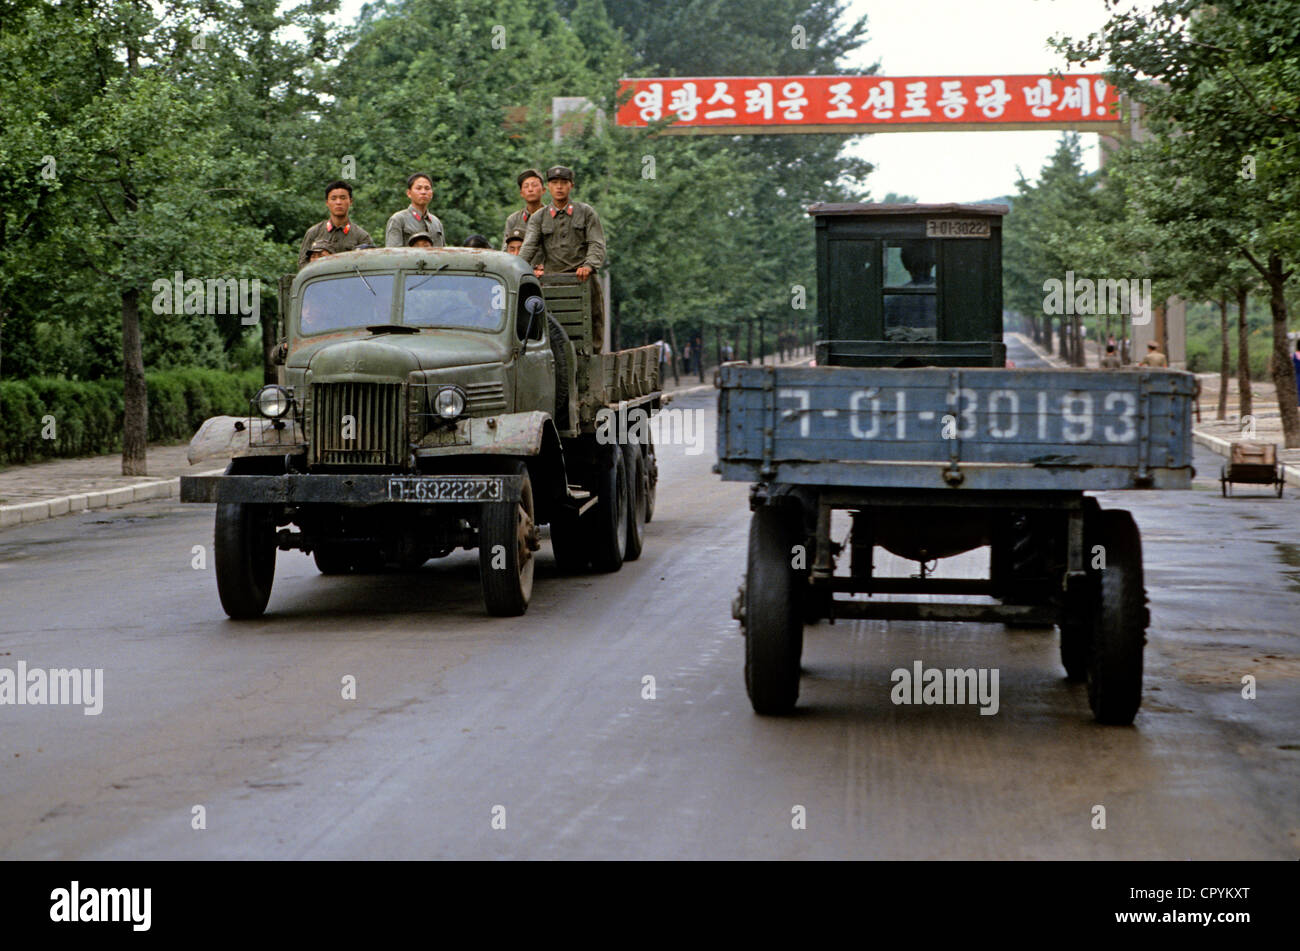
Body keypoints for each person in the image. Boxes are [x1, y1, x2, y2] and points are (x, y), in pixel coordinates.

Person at [519, 165, 607, 349]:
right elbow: (529, 247)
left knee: (593, 321)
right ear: (548, 188)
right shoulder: (539, 218)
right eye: (554, 183)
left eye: (563, 183)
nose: (559, 187)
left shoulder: (585, 212)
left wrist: (589, 265)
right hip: (553, 282)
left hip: (582, 278)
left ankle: (593, 360)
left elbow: (596, 243)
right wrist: (517, 268)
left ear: (571, 186)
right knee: (551, 326)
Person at [298, 180, 372, 269]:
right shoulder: (314, 232)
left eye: (343, 198)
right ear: (327, 202)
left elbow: (369, 265)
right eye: (333, 198)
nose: (338, 202)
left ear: (350, 201)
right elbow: (302, 264)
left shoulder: (361, 236)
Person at [385, 173, 445, 248]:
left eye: (427, 188)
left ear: (432, 193)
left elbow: (442, 253)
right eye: (418, 188)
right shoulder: (398, 220)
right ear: (409, 193)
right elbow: (392, 254)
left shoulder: (436, 222)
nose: (423, 192)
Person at [503, 168, 546, 247]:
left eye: (534, 185)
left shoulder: (551, 216)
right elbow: (506, 249)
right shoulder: (513, 220)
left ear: (543, 190)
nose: (530, 189)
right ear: (521, 193)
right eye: (526, 186)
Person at [1292, 341, 1300, 406]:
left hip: (1297, 374)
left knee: (1297, 388)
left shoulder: (1294, 355)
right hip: (1297, 374)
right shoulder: (1294, 355)